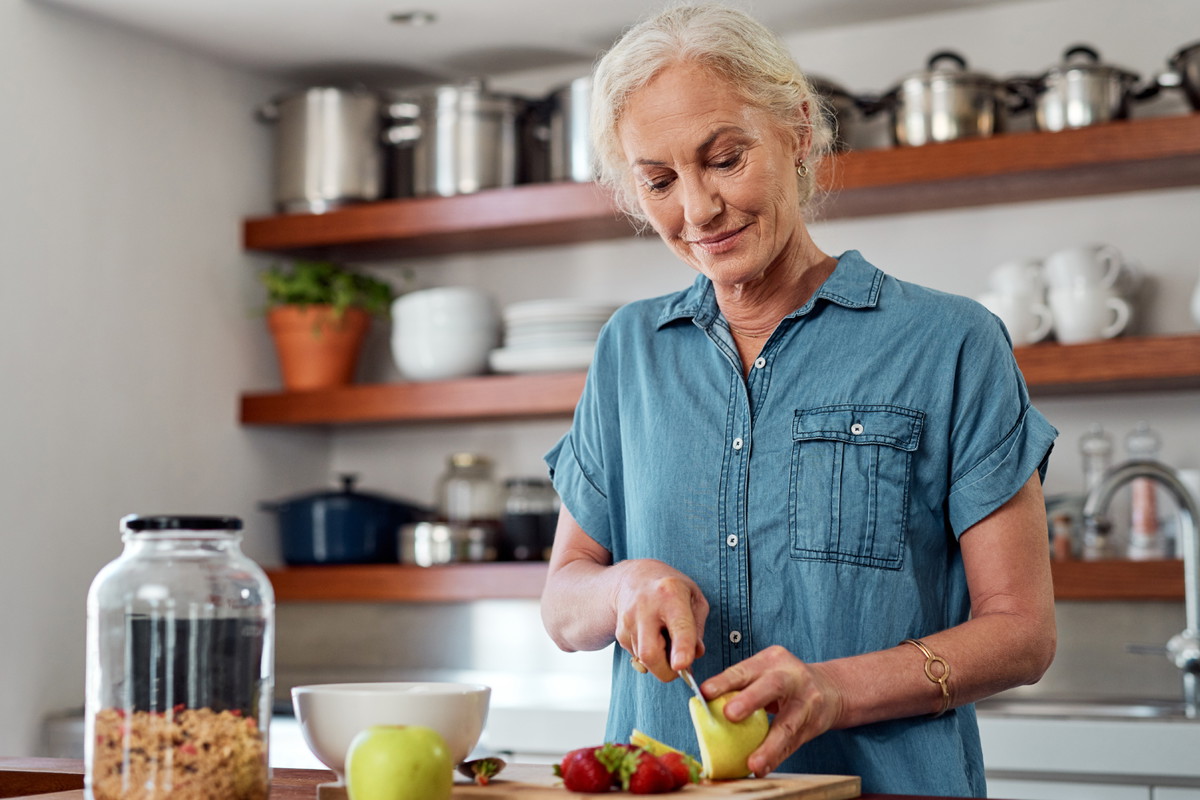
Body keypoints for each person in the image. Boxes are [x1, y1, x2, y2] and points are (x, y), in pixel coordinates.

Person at [540, 4, 1058, 797]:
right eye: (659, 181)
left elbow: (1022, 634)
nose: (699, 210)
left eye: (725, 158)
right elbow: (564, 601)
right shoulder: (628, 351)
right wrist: (623, 585)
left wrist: (835, 690)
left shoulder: (952, 343)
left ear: (798, 129)